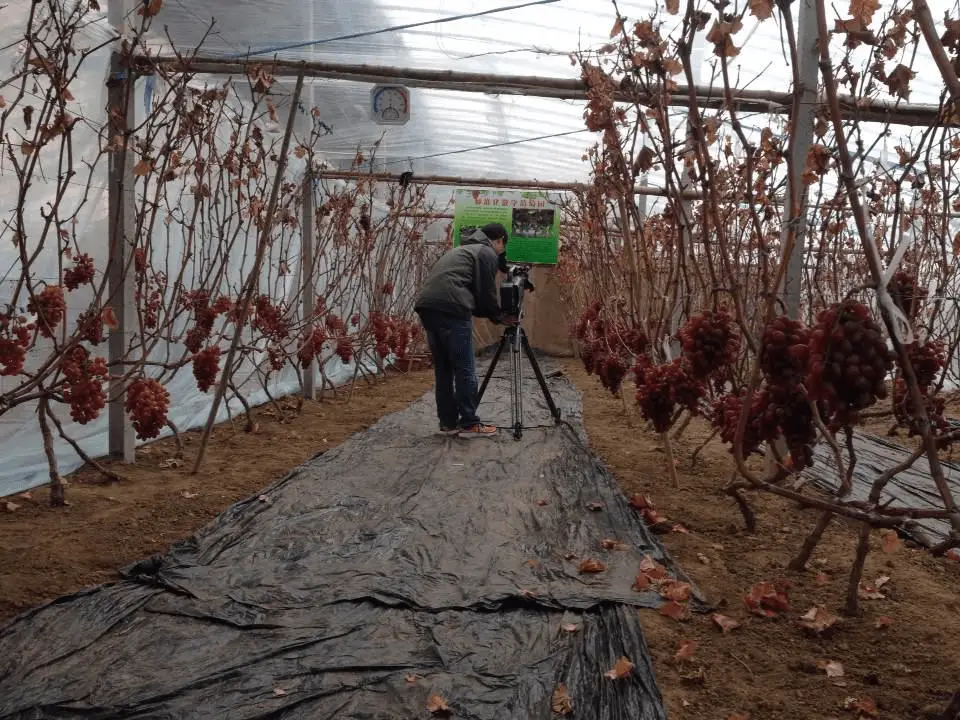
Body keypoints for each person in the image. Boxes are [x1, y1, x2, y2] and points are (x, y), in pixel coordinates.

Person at [414, 222, 511, 438]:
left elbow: (471, 295)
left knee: (444, 369)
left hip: (428, 307)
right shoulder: (485, 252)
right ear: (498, 241)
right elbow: (485, 293)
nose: (500, 253)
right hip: (452, 308)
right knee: (464, 367)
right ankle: (469, 422)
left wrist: (490, 312)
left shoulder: (462, 249)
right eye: (502, 248)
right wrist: (499, 316)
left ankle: (448, 423)